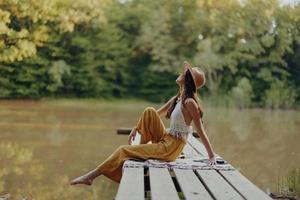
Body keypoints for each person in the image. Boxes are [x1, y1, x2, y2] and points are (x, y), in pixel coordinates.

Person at [70, 61, 217, 186]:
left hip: (171, 148)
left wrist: (211, 156)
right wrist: (136, 127)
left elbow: (201, 130)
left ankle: (90, 176)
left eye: (185, 73)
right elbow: (155, 114)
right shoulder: (178, 98)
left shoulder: (190, 102)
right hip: (166, 137)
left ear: (189, 80)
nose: (182, 73)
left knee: (123, 150)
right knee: (149, 111)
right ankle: (143, 148)